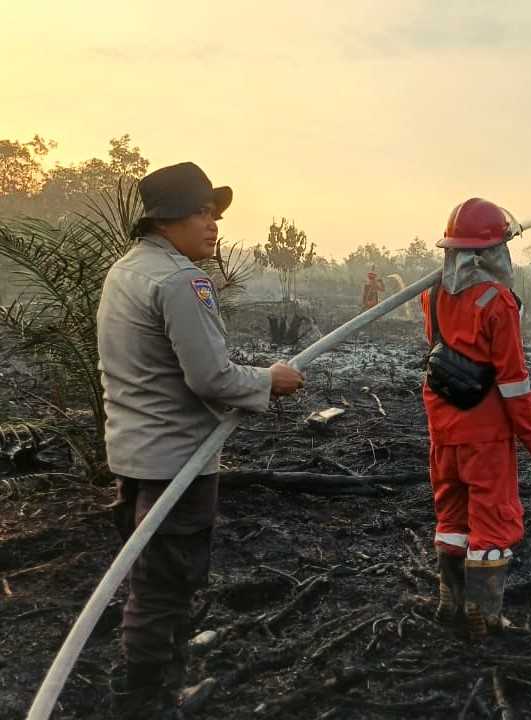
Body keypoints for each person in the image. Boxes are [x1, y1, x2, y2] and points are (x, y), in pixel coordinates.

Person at [97, 162, 304, 717]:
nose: (213, 224)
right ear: (166, 220)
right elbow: (211, 378)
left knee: (151, 575)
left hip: (135, 451)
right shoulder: (182, 282)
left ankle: (156, 681)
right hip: (175, 460)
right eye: (201, 213)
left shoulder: (126, 270)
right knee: (168, 581)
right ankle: (149, 700)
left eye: (214, 213)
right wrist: (270, 380)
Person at [419, 197, 531, 640]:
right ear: (494, 251)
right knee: (493, 519)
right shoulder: (499, 303)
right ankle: (484, 612)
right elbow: (514, 381)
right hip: (486, 432)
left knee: (452, 515)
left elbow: (440, 350)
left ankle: (449, 600)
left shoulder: (431, 295)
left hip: (443, 429)